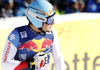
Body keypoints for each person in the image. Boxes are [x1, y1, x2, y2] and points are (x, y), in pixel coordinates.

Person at [1, 0, 65, 70]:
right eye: (50, 20)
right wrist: (31, 63)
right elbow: (4, 64)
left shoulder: (52, 33)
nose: (53, 23)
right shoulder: (16, 35)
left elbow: (58, 58)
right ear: (38, 20)